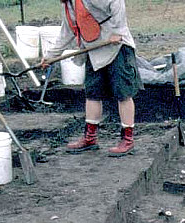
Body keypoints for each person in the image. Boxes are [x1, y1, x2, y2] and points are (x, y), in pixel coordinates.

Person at [39, 0, 141, 157]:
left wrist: (118, 31)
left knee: (123, 93)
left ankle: (127, 140)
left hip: (117, 47)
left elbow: (117, 2)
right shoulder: (69, 5)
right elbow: (67, 32)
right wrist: (51, 56)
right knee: (92, 93)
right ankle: (90, 137)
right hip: (93, 51)